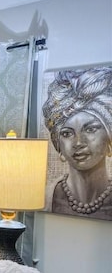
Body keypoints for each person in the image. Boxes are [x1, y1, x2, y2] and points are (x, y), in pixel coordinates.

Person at [42, 66, 112, 220]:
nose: (78, 142)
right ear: (58, 147)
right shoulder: (44, 198)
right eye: (67, 133)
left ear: (109, 140)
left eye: (91, 129)